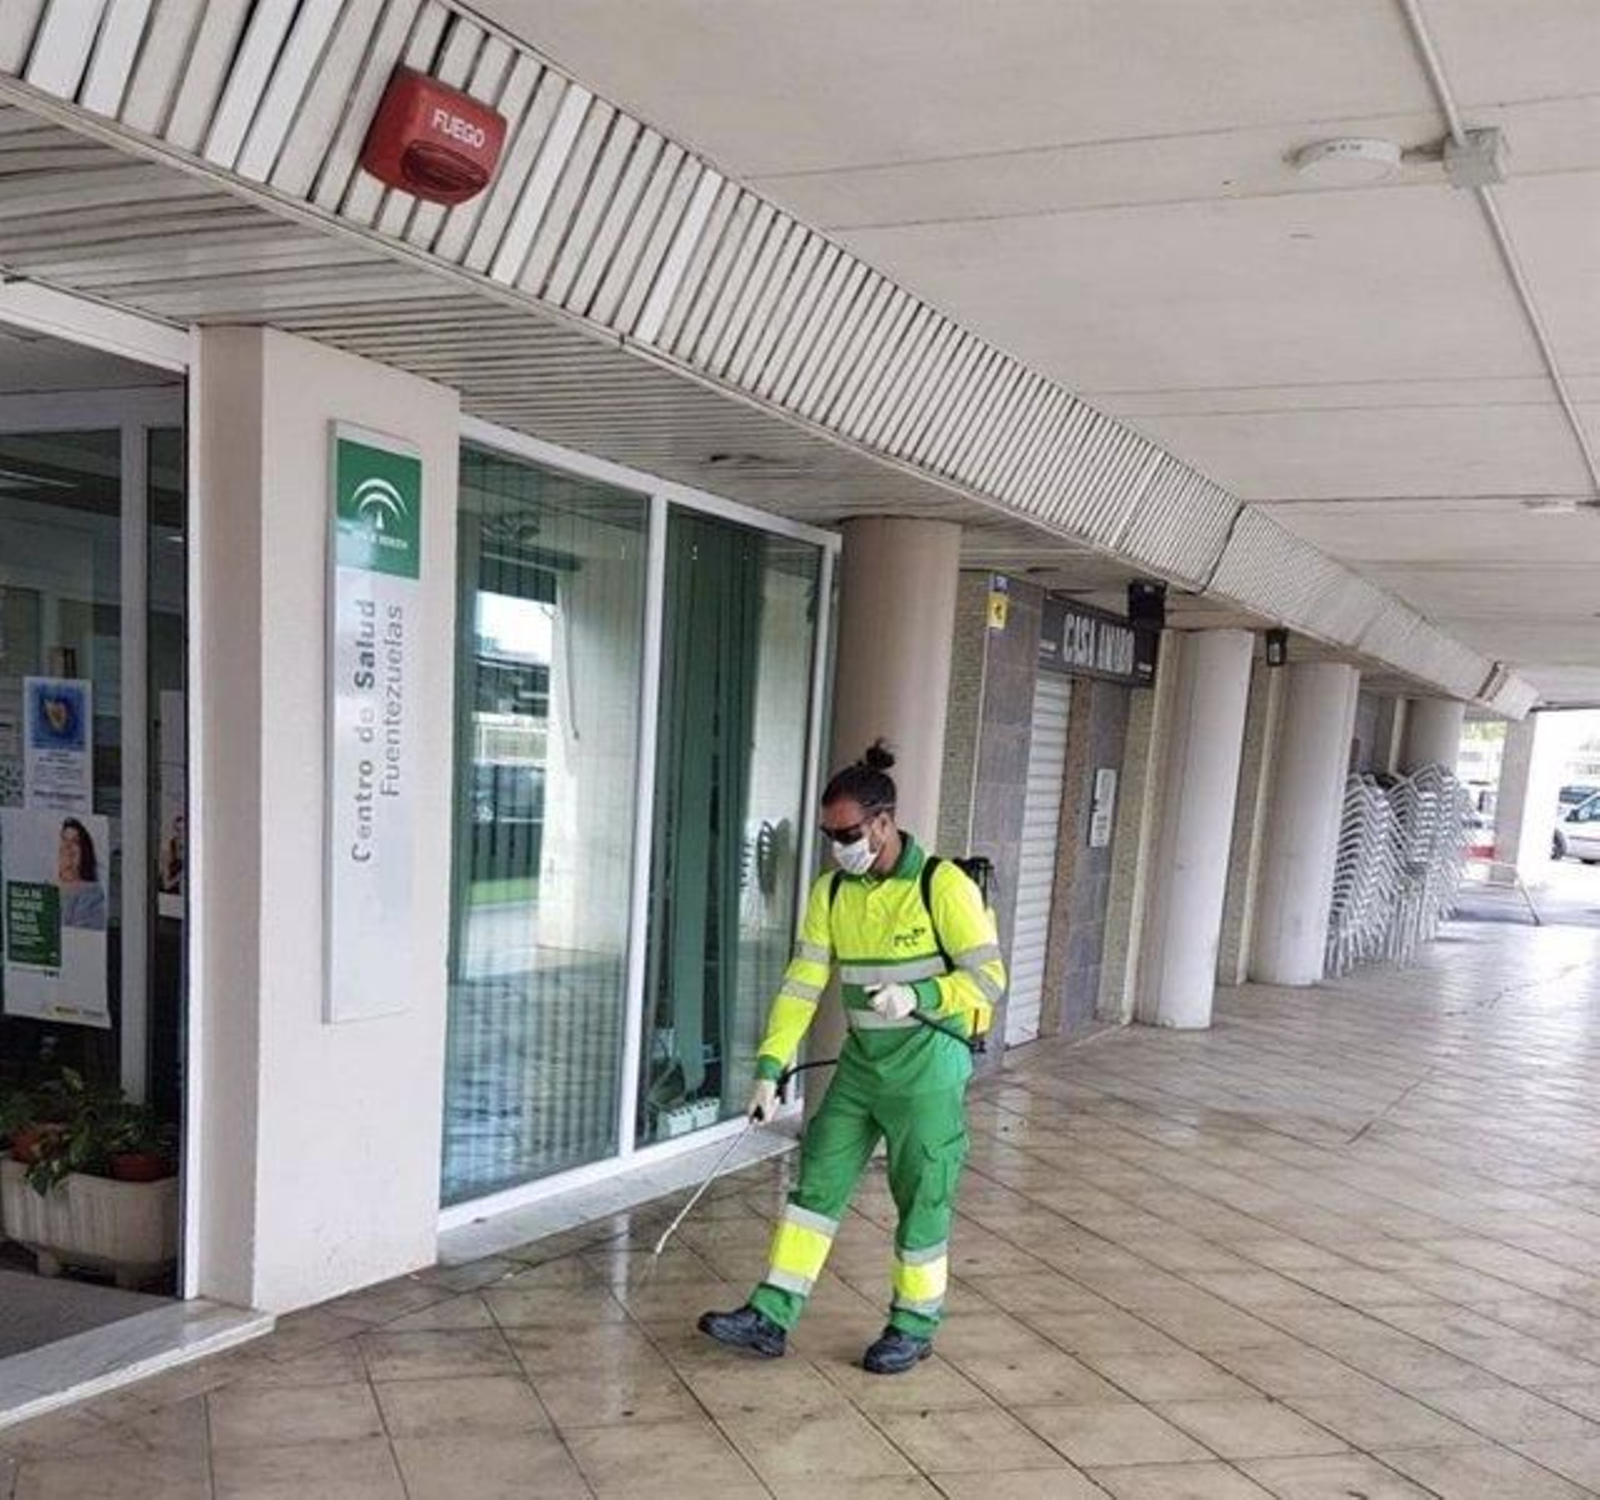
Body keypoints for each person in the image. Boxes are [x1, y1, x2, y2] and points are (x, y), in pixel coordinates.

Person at [699, 741, 1006, 1374]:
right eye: (829, 835)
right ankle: (772, 1314)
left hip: (928, 1071)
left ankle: (913, 1326)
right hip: (862, 1069)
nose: (839, 845)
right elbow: (802, 984)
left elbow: (991, 981)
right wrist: (767, 1068)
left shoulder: (940, 886)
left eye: (848, 833)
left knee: (922, 1197)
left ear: (884, 823)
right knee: (817, 1185)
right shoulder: (832, 893)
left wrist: (919, 993)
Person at [58, 817, 107, 930]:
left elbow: (81, 937)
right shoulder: (48, 887)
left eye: (75, 842)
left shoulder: (92, 894)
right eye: (64, 840)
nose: (68, 847)